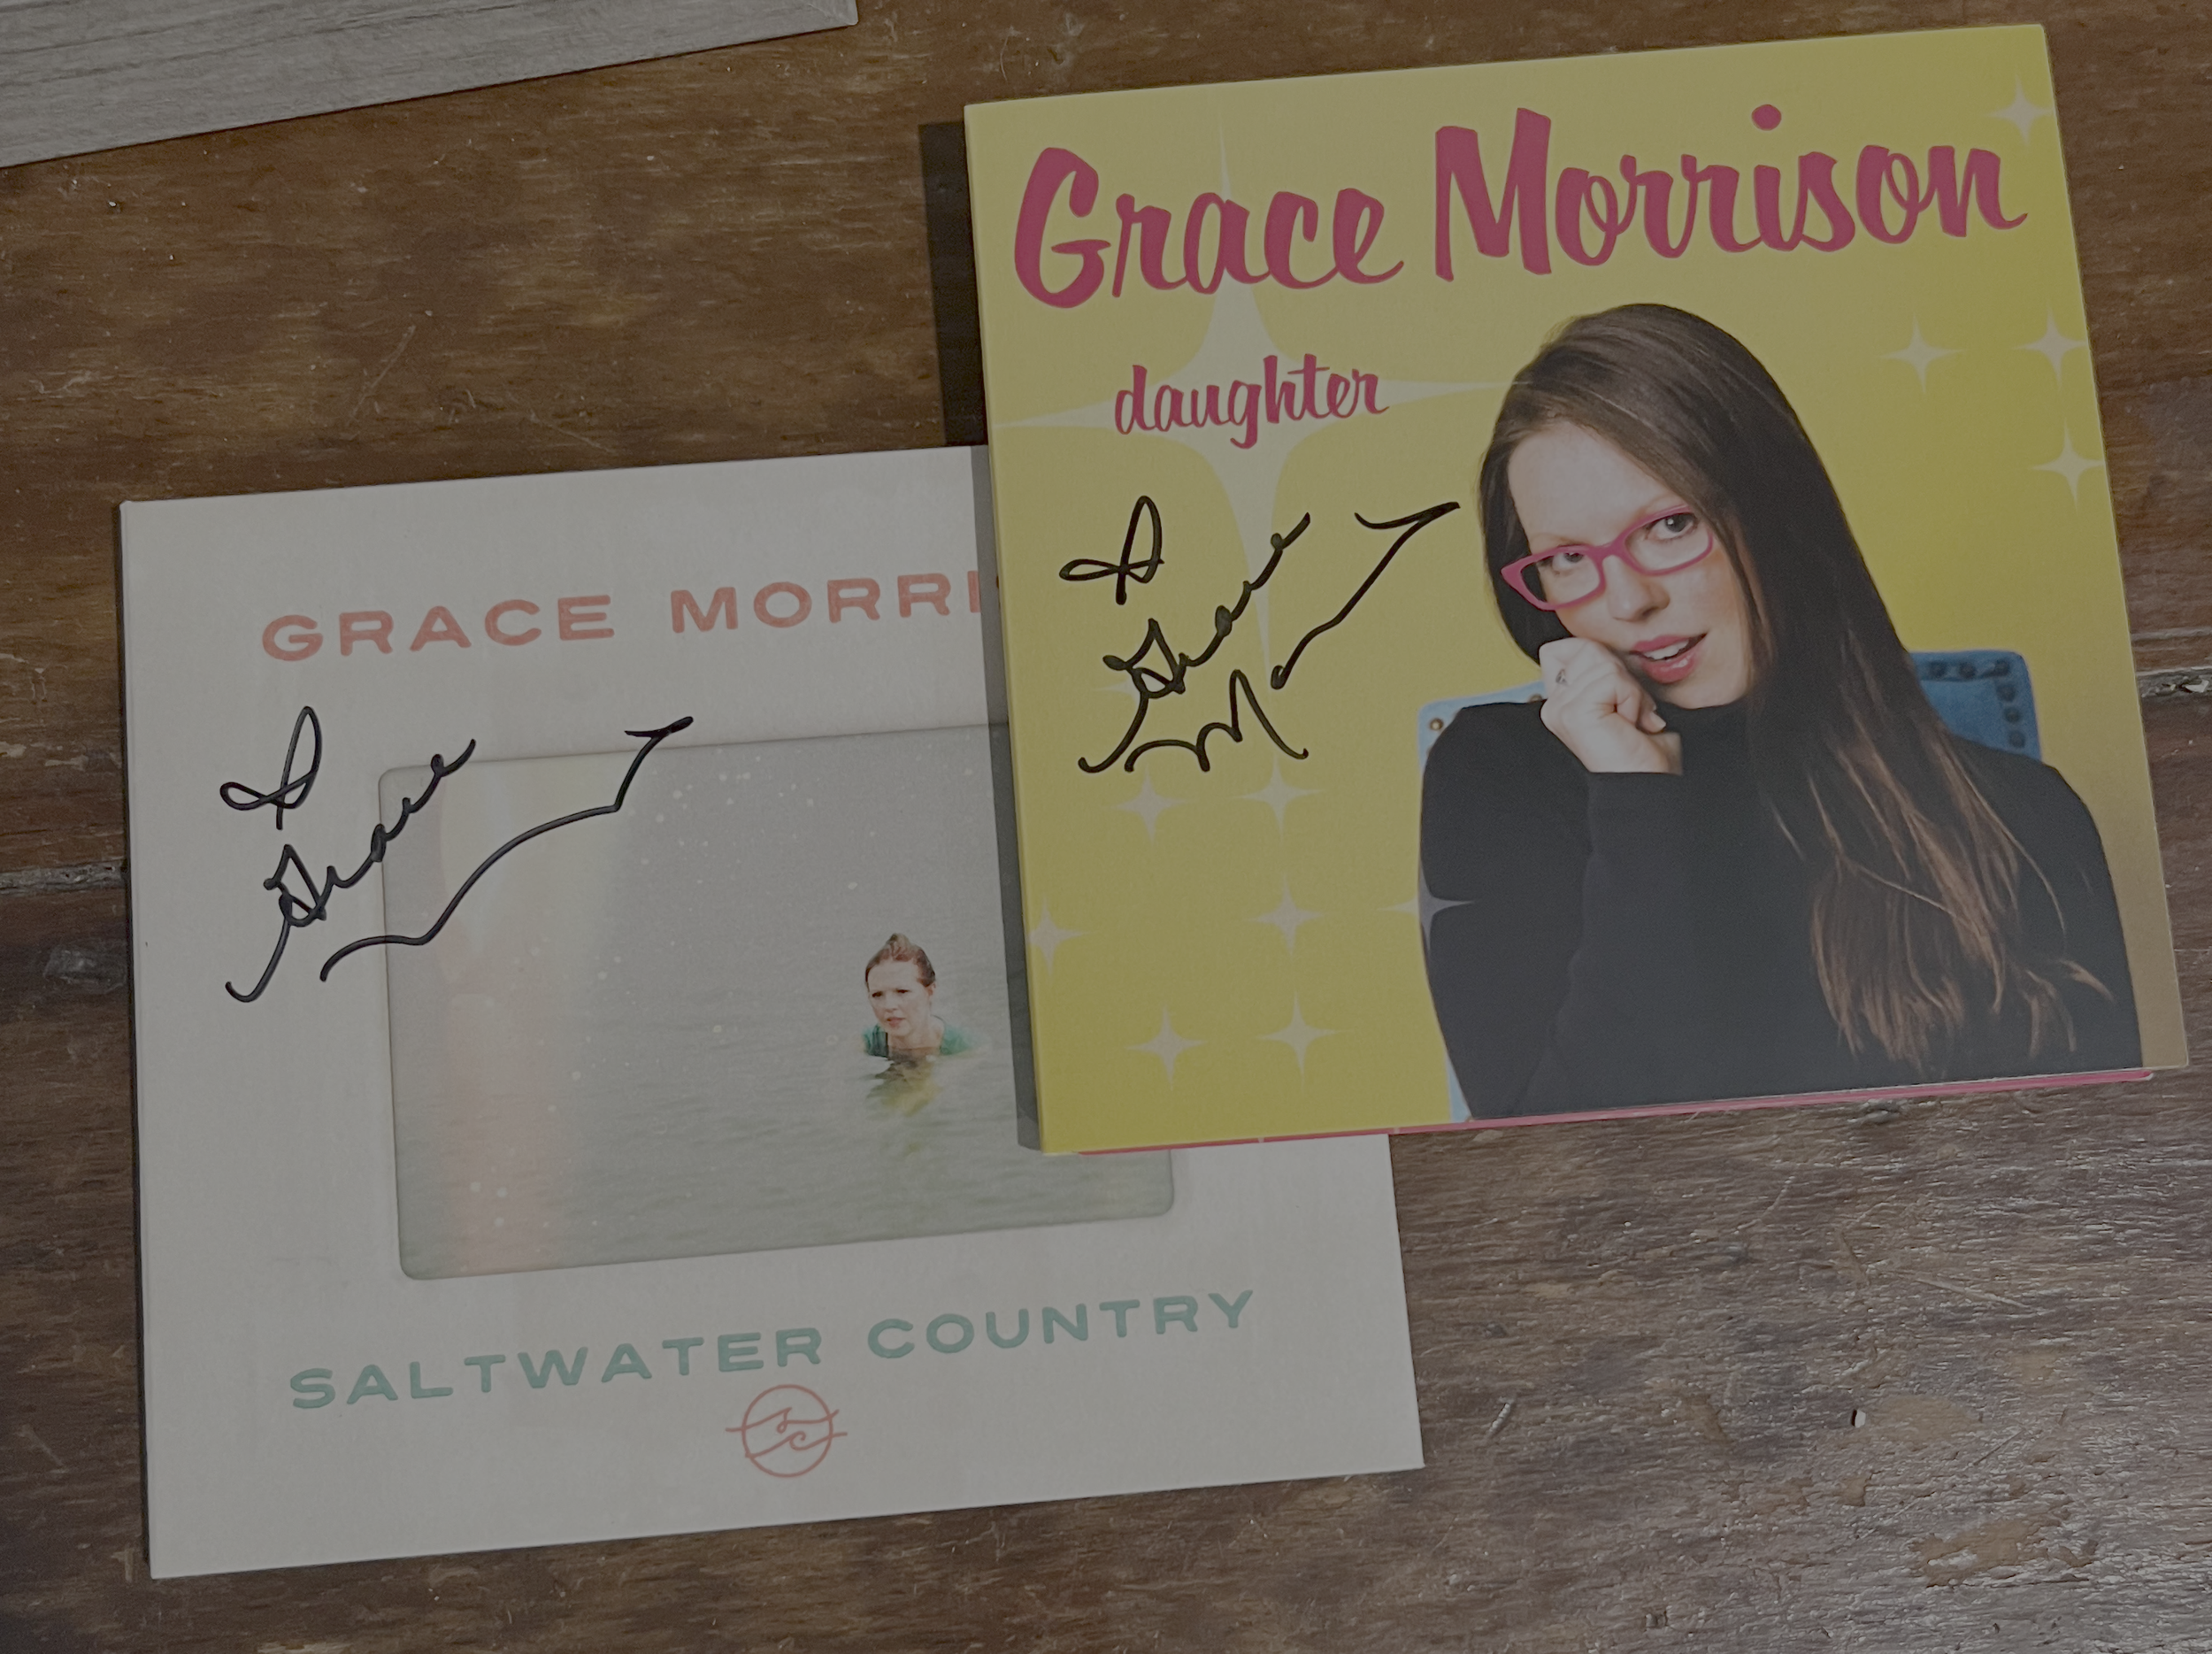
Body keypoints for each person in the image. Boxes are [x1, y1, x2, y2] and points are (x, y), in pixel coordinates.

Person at [1421, 304, 2139, 1119]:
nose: (1627, 600)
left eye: (1670, 524)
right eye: (1568, 558)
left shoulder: (2020, 817)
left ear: (1776, 513)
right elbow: (1557, 1162)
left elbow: (2089, 1152)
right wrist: (1634, 797)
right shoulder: (1500, 781)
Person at [861, 934, 973, 1061]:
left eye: (902, 992)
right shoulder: (864, 1045)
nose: (889, 1005)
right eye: (877, 995)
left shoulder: (968, 1050)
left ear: (930, 991)